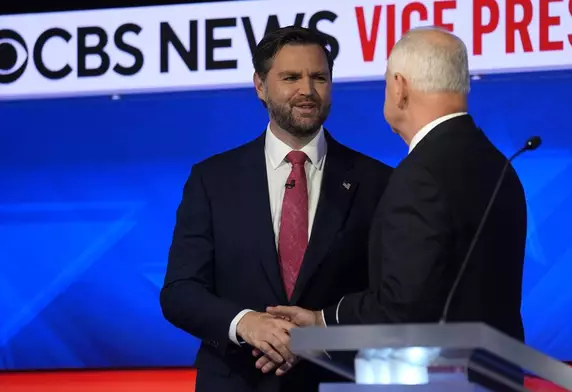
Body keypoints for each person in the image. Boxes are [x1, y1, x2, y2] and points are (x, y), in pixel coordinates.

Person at [159, 26, 392, 392]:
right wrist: (245, 323)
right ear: (260, 85)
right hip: (235, 381)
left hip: (338, 382)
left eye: (319, 77)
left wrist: (318, 335)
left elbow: (390, 297)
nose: (307, 90)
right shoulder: (212, 179)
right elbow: (180, 291)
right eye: (290, 77)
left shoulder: (379, 182)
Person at [268, 27, 527, 343]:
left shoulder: (420, 176)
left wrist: (324, 320)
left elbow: (402, 305)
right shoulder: (500, 165)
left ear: (400, 87)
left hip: (438, 375)